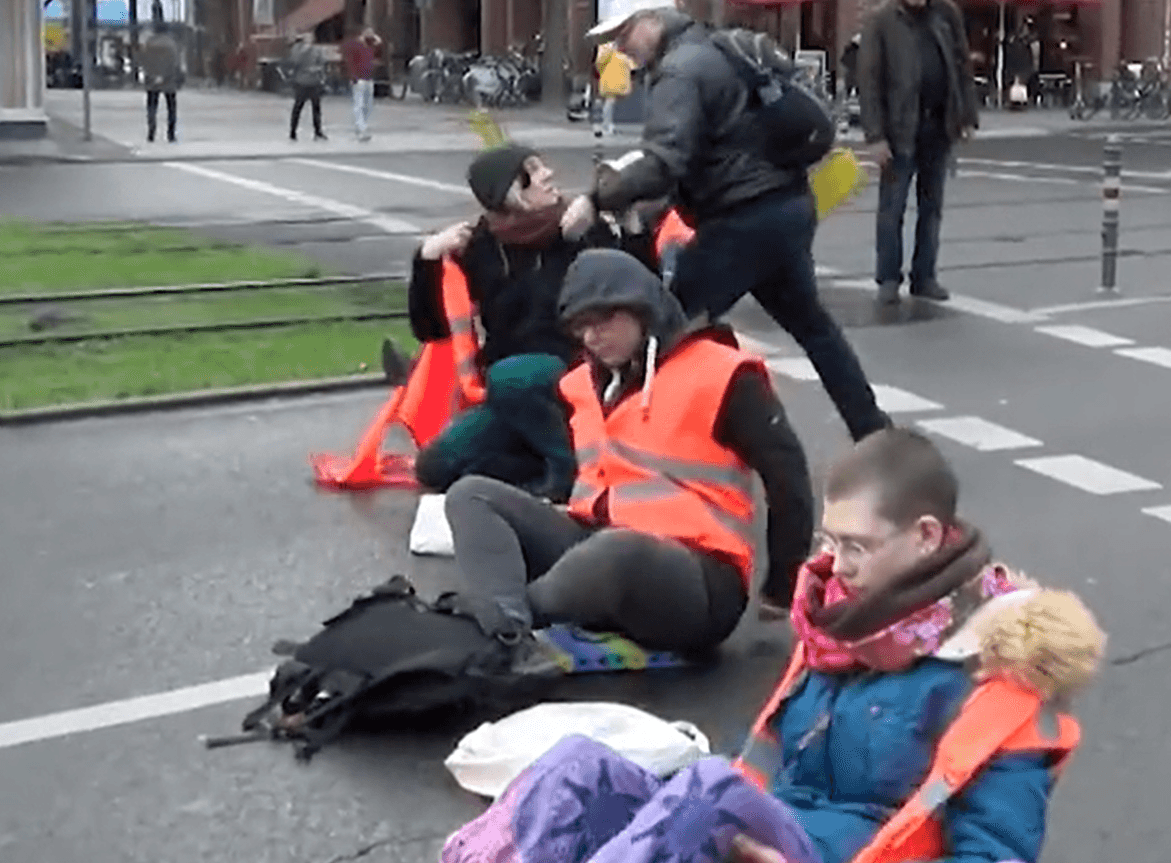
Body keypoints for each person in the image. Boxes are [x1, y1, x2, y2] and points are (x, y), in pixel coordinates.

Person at [441, 426, 1105, 863]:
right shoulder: (851, 627)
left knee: (705, 787)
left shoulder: (999, 673)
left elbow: (995, 853)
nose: (835, 565)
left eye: (857, 546)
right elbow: (767, 767)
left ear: (926, 536)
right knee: (577, 767)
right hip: (769, 834)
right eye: (831, 540)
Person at [441, 248, 813, 665]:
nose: (591, 337)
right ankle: (506, 625)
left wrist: (782, 586)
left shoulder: (722, 373)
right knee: (470, 495)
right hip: (597, 546)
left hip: (699, 578)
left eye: (603, 319)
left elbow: (788, 478)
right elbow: (590, 474)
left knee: (619, 550)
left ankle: (496, 628)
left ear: (644, 310)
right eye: (581, 326)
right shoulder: (581, 383)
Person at [586, 0, 890, 443]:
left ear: (651, 22)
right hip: (785, 207)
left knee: (663, 325)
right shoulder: (717, 47)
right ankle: (873, 433)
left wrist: (596, 199)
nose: (619, 47)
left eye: (624, 33)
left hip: (740, 220)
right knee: (815, 329)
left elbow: (665, 158)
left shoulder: (679, 71)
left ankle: (636, 439)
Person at [405, 144, 630, 499]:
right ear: (509, 193)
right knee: (434, 467)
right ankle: (540, 459)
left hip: (577, 374)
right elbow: (431, 329)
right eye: (533, 172)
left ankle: (567, 473)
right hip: (509, 392)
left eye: (543, 167)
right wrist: (427, 260)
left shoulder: (580, 227)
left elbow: (635, 291)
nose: (548, 175)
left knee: (514, 376)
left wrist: (604, 230)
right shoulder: (480, 245)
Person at [858, 0, 981, 306]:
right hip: (899, 131)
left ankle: (924, 276)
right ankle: (887, 278)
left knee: (932, 208)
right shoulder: (881, 19)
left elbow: (960, 65)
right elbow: (870, 81)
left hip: (937, 126)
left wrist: (965, 116)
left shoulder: (946, 13)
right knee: (892, 209)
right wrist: (875, 136)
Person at [139, 24, 184, 143]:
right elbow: (175, 62)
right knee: (171, 108)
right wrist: (165, 76)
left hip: (152, 80)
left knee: (152, 107)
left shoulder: (149, 43)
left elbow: (144, 61)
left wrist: (152, 76)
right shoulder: (172, 44)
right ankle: (171, 134)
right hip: (168, 80)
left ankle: (151, 133)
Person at [286, 33, 328, 141]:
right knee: (298, 107)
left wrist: (319, 71)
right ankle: (293, 131)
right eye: (307, 38)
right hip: (301, 81)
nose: (309, 40)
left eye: (310, 38)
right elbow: (294, 62)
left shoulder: (317, 50)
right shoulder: (297, 49)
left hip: (314, 81)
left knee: (316, 108)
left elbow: (322, 63)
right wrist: (303, 51)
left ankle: (318, 131)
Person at [341, 27, 381, 141]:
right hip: (359, 79)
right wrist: (353, 76)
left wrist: (378, 43)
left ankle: (362, 124)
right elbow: (350, 61)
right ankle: (361, 126)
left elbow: (379, 54)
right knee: (359, 104)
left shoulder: (371, 46)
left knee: (368, 104)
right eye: (368, 34)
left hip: (369, 78)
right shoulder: (356, 45)